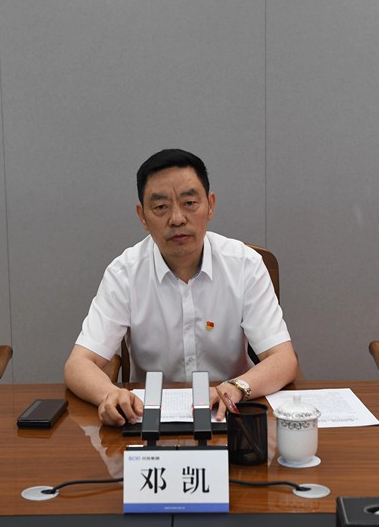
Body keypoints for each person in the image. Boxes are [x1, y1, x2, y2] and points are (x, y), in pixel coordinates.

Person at [64, 149, 298, 426]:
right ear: (142, 216)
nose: (177, 218)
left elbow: (283, 359)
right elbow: (78, 364)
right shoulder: (124, 273)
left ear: (210, 206)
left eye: (189, 203)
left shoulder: (245, 265)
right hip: (146, 419)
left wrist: (238, 387)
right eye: (161, 207)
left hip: (231, 416)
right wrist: (110, 394)